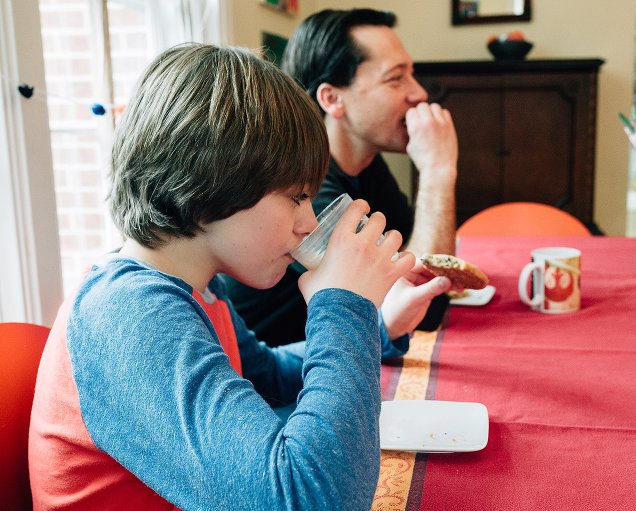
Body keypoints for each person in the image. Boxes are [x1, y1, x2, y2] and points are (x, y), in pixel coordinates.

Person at [28, 43, 435, 510]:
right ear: (209, 182)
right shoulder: (128, 316)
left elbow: (267, 375)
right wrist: (343, 305)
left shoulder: (197, 286)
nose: (308, 222)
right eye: (296, 196)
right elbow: (313, 500)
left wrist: (380, 327)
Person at [223, 8, 459, 345]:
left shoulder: (367, 165)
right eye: (395, 78)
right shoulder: (306, 195)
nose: (418, 93)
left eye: (412, 74)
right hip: (279, 383)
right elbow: (421, 308)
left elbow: (414, 277)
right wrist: (437, 171)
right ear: (333, 99)